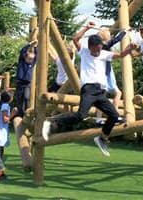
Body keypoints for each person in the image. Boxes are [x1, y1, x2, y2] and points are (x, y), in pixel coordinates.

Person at [42, 25, 137, 157]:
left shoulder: (104, 53)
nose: (97, 52)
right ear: (90, 47)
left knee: (114, 116)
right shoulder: (84, 52)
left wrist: (129, 49)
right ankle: (52, 122)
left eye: (99, 49)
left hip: (100, 92)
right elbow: (76, 39)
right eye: (95, 49)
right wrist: (86, 28)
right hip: (88, 90)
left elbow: (120, 55)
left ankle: (102, 138)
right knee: (81, 115)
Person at [14, 40, 37, 118]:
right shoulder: (22, 62)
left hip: (27, 84)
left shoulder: (32, 64)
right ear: (26, 57)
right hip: (20, 83)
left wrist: (35, 47)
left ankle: (26, 113)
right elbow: (22, 51)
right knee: (20, 99)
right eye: (29, 59)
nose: (31, 60)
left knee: (27, 97)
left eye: (32, 59)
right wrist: (29, 44)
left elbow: (36, 55)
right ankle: (20, 114)